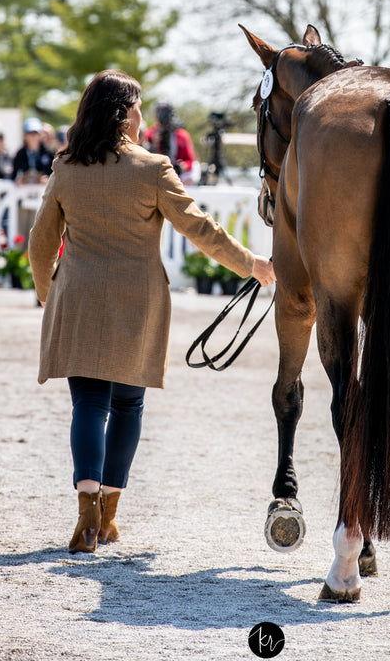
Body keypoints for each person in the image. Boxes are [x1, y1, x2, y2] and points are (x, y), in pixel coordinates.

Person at [28, 70, 275, 555]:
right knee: (126, 406)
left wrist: (46, 293)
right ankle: (109, 516)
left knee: (88, 405)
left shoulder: (66, 166)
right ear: (125, 113)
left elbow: (41, 242)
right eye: (138, 107)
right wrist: (253, 265)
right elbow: (200, 229)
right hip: (136, 301)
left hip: (77, 296)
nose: (143, 116)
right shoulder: (152, 168)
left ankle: (85, 515)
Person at [144, 102, 199, 184]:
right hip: (156, 174)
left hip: (178, 177)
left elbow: (189, 160)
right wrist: (155, 144)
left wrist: (181, 167)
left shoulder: (182, 135)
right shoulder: (151, 133)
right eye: (160, 112)